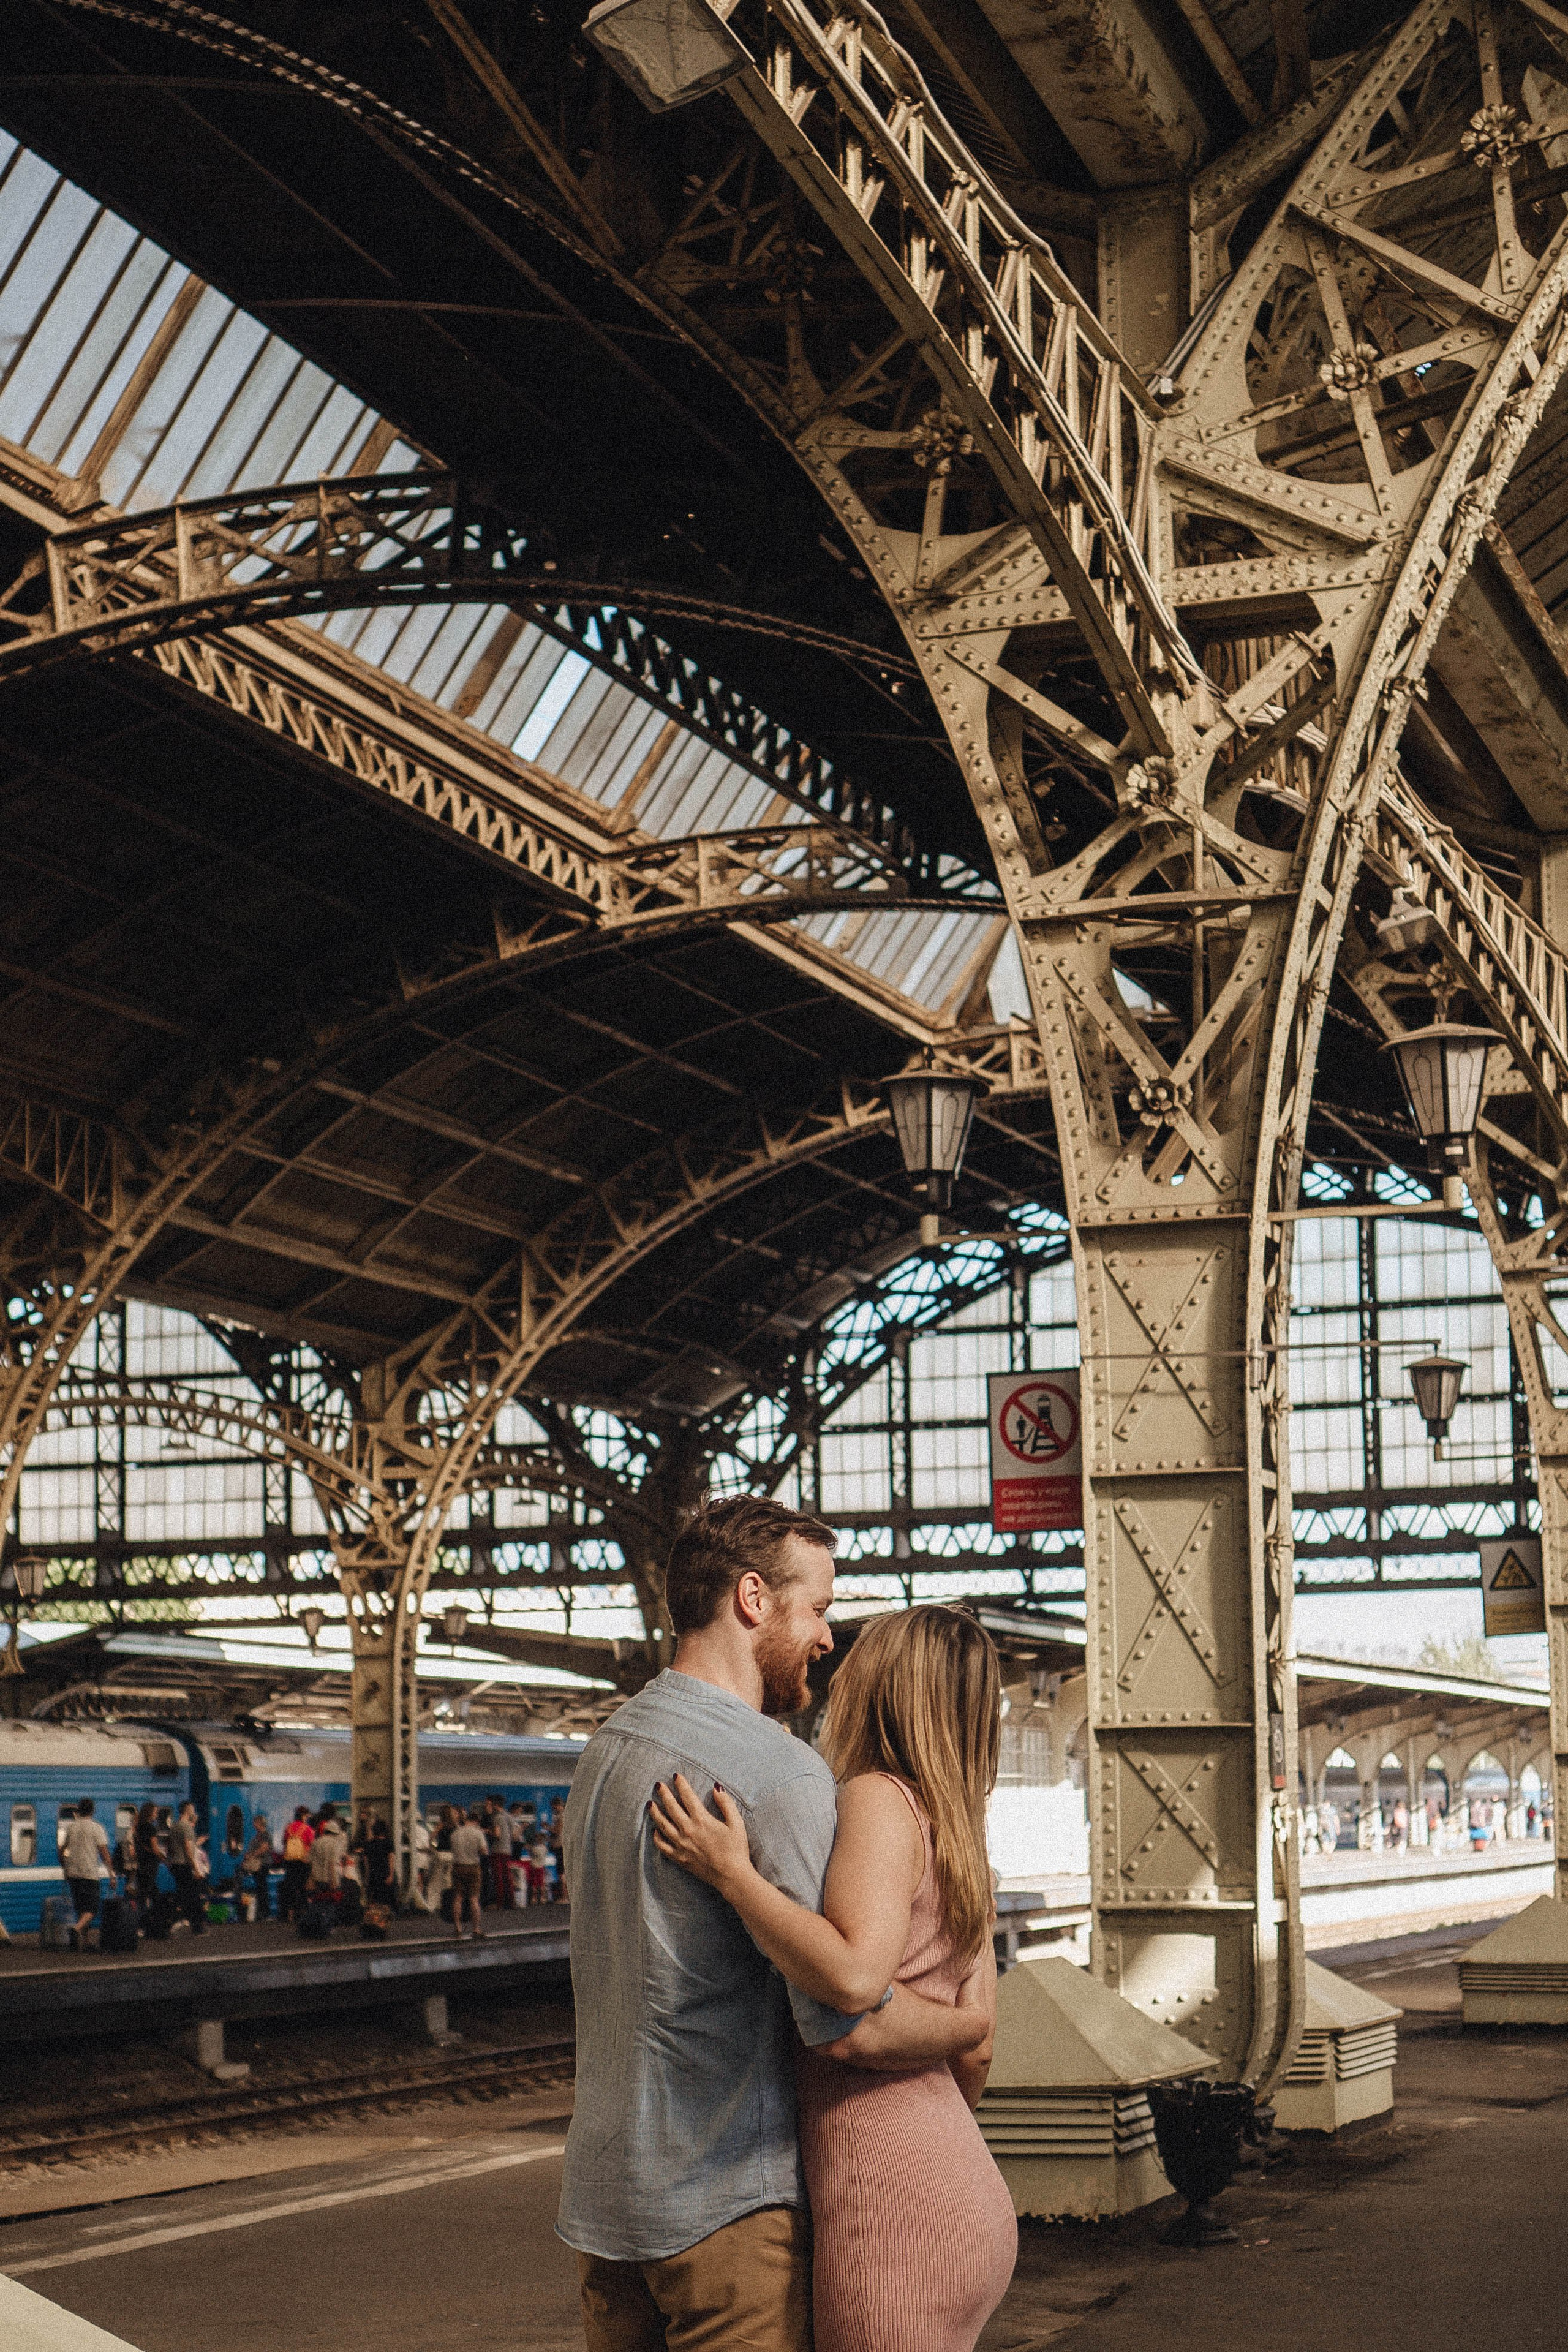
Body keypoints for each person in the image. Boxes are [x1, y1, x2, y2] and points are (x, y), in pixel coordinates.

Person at [557, 1496, 988, 2352]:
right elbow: (844, 2017)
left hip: (606, 2203)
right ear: (754, 1599)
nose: (828, 1639)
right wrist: (970, 2024)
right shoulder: (778, 1774)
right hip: (726, 2206)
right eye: (820, 1609)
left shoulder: (602, 1756)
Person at [654, 1603, 1014, 2352]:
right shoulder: (958, 1828)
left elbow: (852, 1987)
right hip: (953, 2179)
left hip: (889, 2206)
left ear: (880, 1682)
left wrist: (733, 1874)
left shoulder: (877, 1799)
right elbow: (973, 2049)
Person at [60, 1798, 112, 1951]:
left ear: (79, 1810)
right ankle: (77, 1929)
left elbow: (61, 1850)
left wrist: (64, 1865)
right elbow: (104, 1853)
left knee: (82, 1908)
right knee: (92, 1909)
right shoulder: (96, 1828)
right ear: (93, 1811)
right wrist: (112, 1874)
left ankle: (85, 1942)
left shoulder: (71, 1828)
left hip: (73, 1873)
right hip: (89, 1873)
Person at [168, 1801, 208, 1936]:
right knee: (193, 1898)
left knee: (183, 1896)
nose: (194, 1811)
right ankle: (197, 1927)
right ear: (187, 1810)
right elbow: (188, 1851)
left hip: (175, 1865)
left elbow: (170, 1848)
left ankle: (170, 1923)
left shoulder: (174, 1827)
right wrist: (196, 1869)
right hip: (185, 1866)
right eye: (192, 1809)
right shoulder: (186, 1828)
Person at [449, 1806, 488, 1939]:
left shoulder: (455, 1833)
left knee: (458, 1898)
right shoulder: (478, 1833)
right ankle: (476, 1929)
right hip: (473, 1868)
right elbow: (484, 1851)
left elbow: (453, 1850)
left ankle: (458, 1928)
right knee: (474, 1899)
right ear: (476, 1821)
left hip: (458, 1867)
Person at [279, 1806, 315, 1922]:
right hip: (303, 1862)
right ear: (303, 1816)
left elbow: (284, 1843)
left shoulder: (288, 1828)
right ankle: (302, 1913)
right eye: (307, 1816)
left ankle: (290, 1914)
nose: (308, 1818)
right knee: (303, 1887)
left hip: (290, 1862)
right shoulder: (307, 1829)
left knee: (291, 1887)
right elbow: (312, 1845)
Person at [132, 1801, 164, 1915]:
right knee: (152, 1895)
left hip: (141, 1865)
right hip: (150, 1866)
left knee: (143, 1894)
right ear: (150, 1813)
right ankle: (151, 1921)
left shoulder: (138, 1829)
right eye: (155, 1812)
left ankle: (142, 1921)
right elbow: (155, 1849)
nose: (156, 1814)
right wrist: (165, 1859)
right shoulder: (151, 1829)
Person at [242, 1815, 276, 1921]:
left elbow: (264, 1848)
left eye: (255, 1823)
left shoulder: (266, 1835)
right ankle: (261, 1912)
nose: (253, 1825)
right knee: (260, 1887)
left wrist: (251, 1855)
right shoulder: (257, 1836)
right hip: (257, 1865)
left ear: (259, 1823)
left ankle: (264, 1912)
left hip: (263, 1864)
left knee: (262, 1887)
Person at [488, 1793, 514, 1908]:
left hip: (498, 1850)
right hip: (507, 1849)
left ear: (495, 1804)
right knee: (507, 1876)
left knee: (498, 1877)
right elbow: (515, 1835)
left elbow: (497, 1834)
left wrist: (486, 1831)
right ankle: (510, 1901)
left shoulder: (497, 1817)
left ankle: (500, 1903)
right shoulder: (509, 1817)